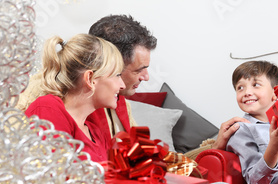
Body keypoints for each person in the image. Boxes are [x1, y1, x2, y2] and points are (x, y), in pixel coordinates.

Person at [17, 14, 247, 158]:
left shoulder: (117, 106)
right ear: (105, 64)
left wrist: (214, 146)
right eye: (138, 69)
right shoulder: (48, 105)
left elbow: (151, 163)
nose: (146, 77)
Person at [24, 33, 125, 161]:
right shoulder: (48, 109)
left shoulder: (96, 133)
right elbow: (52, 174)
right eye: (117, 75)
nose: (123, 85)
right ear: (90, 79)